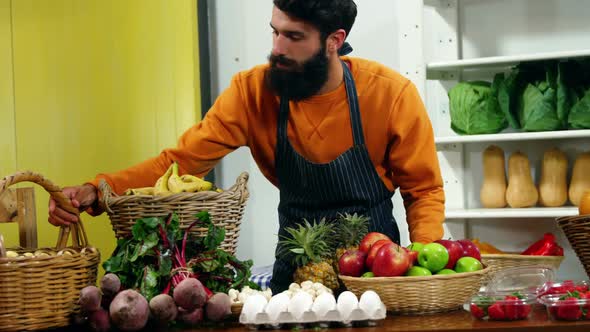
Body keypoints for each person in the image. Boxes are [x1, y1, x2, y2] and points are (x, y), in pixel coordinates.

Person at [48, 0, 445, 293]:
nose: (277, 48)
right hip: (296, 271)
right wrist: (96, 189)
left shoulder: (391, 95)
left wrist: (424, 270)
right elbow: (180, 164)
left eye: (293, 36)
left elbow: (423, 190)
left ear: (334, 41)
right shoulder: (251, 92)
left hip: (375, 269)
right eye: (274, 30)